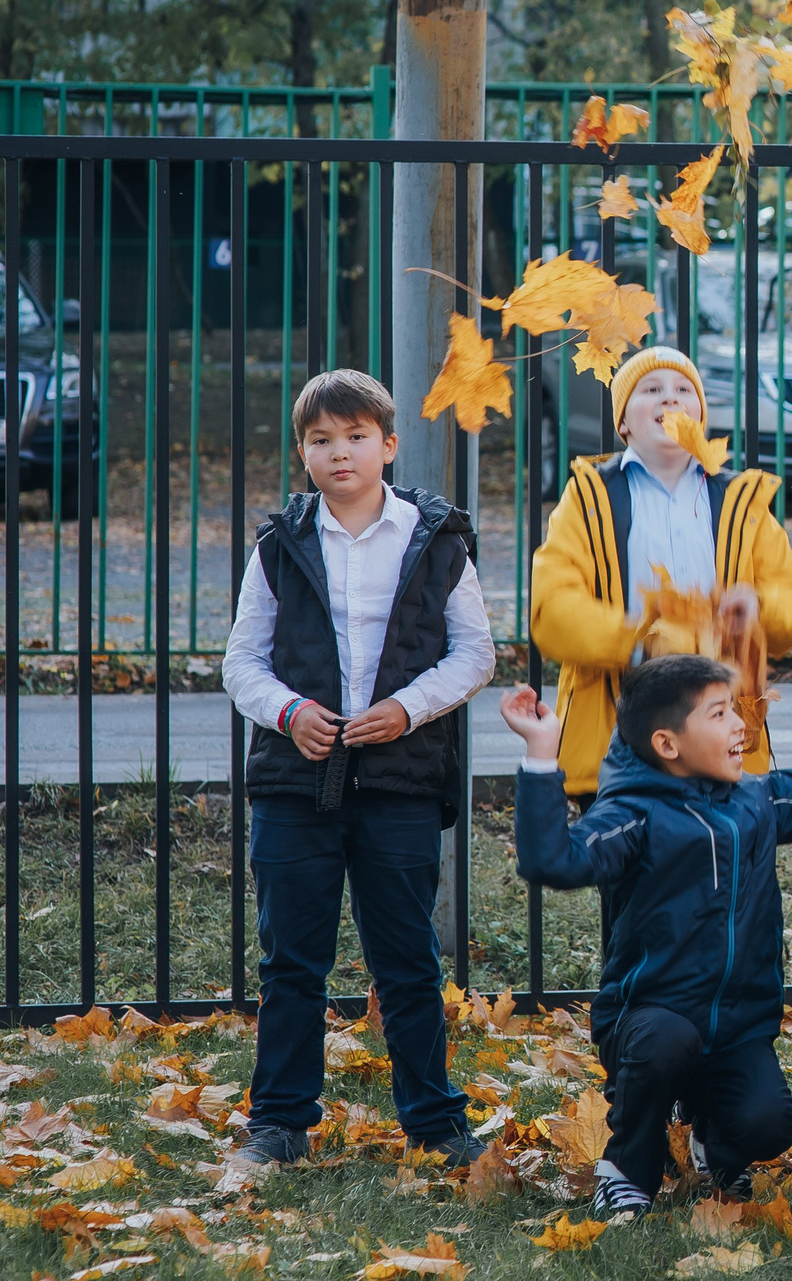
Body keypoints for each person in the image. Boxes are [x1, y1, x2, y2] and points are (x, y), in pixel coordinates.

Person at [501, 653, 792, 1218]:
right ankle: (627, 1167)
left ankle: (707, 1144)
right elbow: (553, 860)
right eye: (719, 714)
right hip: (649, 1021)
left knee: (769, 1126)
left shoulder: (756, 801)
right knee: (666, 1042)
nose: (741, 725)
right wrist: (541, 754)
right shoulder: (635, 814)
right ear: (668, 744)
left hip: (736, 1029)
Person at [220, 370, 497, 1173]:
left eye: (355, 436)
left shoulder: (436, 538)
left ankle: (437, 1124)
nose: (339, 452)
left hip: (400, 777)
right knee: (291, 962)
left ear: (388, 444)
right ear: (303, 452)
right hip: (293, 781)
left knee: (407, 960)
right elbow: (241, 662)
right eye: (320, 440)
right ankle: (277, 1123)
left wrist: (407, 709)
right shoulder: (281, 542)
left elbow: (475, 653)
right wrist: (290, 714)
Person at [530, 345, 792, 799]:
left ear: (700, 418)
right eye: (651, 389)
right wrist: (639, 640)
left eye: (684, 390)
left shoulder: (742, 504)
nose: (670, 398)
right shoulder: (588, 499)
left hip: (722, 740)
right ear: (623, 422)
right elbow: (553, 609)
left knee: (728, 867)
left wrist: (758, 610)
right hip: (619, 740)